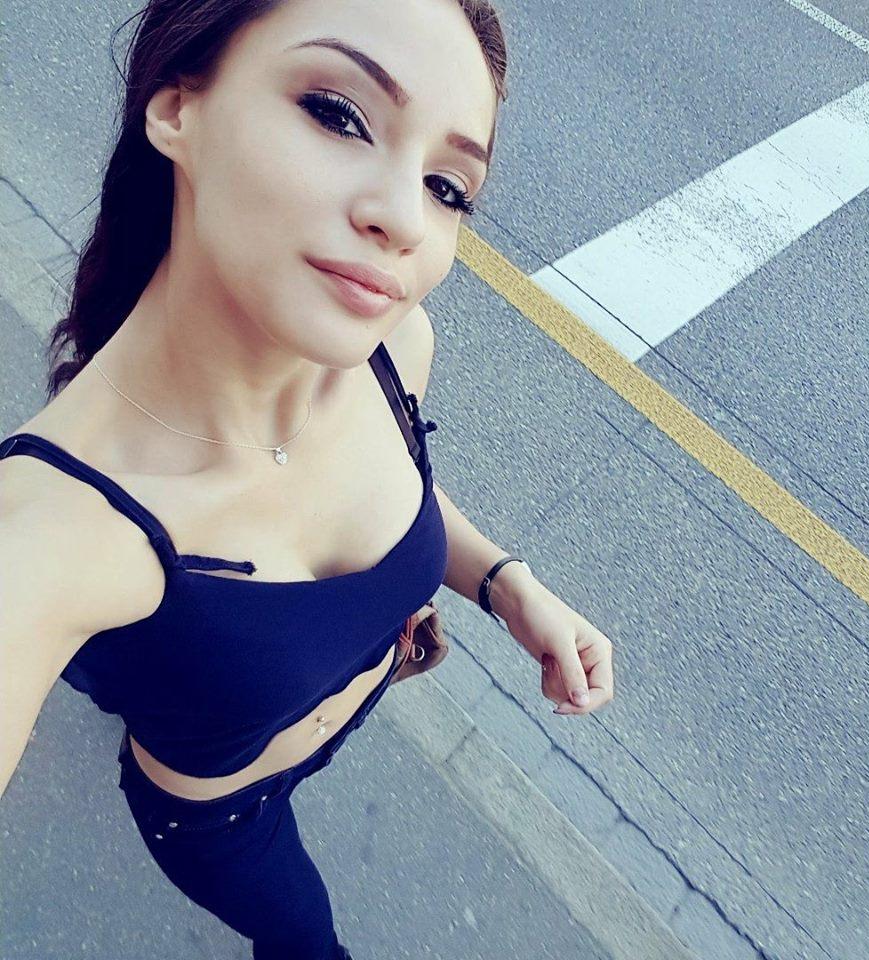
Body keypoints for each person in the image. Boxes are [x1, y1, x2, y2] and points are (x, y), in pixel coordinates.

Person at [0, 1, 614, 956]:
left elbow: (400, 481)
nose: (403, 217)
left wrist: (505, 584)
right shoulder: (52, 531)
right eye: (338, 113)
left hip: (346, 719)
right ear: (178, 109)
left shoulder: (394, 351)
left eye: (448, 187)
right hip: (226, 823)